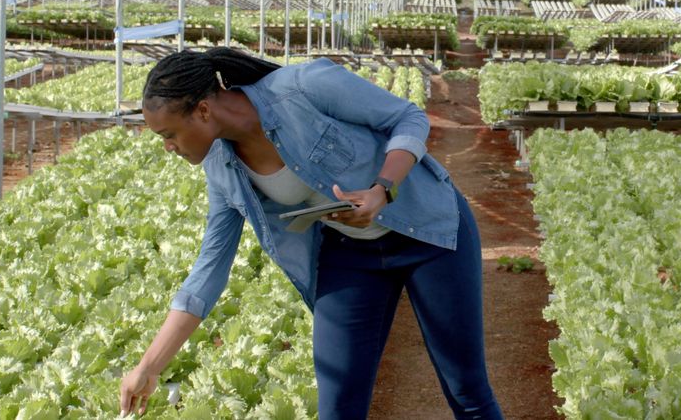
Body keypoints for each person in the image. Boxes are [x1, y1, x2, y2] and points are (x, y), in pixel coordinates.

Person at [119, 47, 502, 419]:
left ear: (203, 111)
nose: (168, 147)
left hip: (428, 230)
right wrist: (149, 367)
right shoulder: (222, 169)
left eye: (168, 134)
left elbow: (408, 117)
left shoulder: (302, 87)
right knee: (337, 407)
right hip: (350, 254)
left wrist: (382, 189)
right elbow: (208, 271)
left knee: (465, 390)